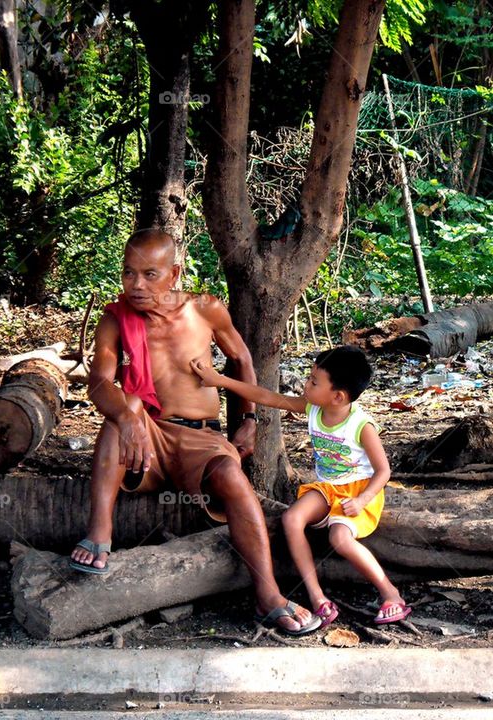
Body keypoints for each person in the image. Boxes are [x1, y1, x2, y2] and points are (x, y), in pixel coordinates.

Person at [68, 228, 321, 636]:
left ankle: (268, 594)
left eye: (150, 274)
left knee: (233, 480)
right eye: (128, 274)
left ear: (175, 273)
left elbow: (241, 359)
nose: (136, 285)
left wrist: (249, 420)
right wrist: (130, 419)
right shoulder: (115, 319)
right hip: (145, 436)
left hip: (201, 438)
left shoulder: (206, 309)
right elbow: (100, 382)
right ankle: (100, 531)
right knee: (126, 406)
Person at [191, 345, 412, 626]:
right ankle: (317, 596)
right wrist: (219, 380)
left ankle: (390, 593)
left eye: (313, 382)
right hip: (326, 488)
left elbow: (383, 471)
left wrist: (363, 500)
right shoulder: (313, 408)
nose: (306, 385)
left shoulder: (360, 425)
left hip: (357, 491)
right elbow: (266, 397)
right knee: (292, 518)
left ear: (338, 396)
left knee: (339, 539)